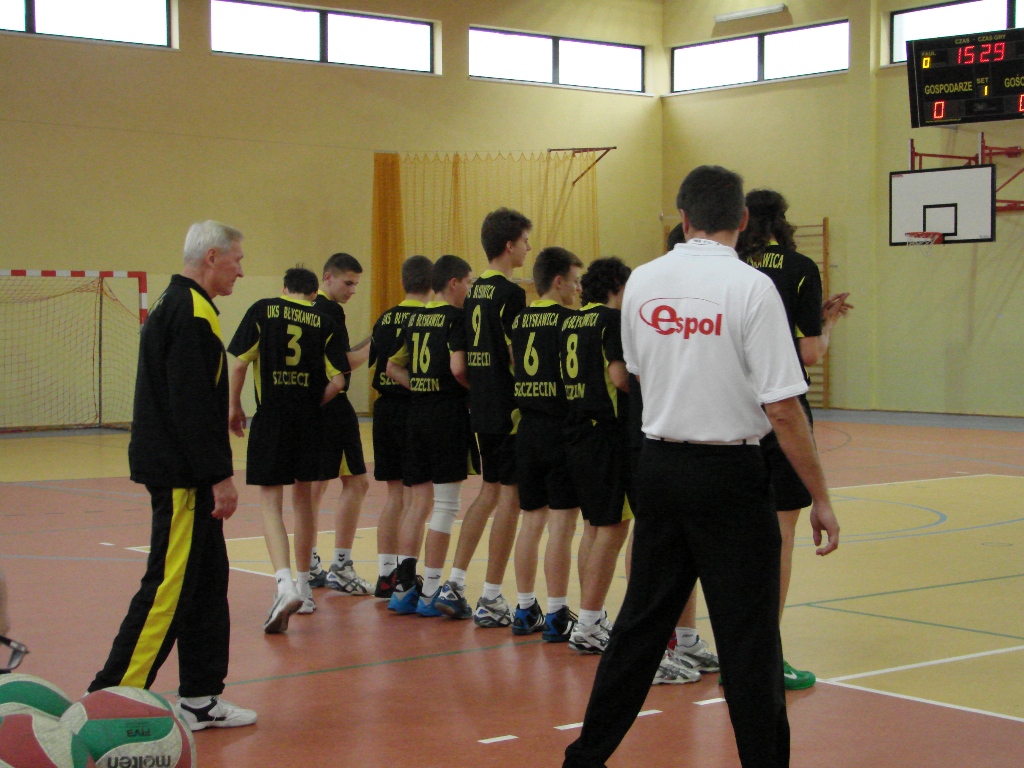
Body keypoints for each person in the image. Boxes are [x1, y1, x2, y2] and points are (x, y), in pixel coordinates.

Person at [562, 166, 840, 768]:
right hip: (731, 476)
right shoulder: (752, 288)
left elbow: (635, 375)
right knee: (750, 638)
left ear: (683, 218)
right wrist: (819, 495)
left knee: (639, 628)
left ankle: (584, 758)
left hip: (659, 468)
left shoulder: (642, 281)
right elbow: (783, 409)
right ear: (742, 220)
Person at [88, 220, 256, 732]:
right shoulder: (189, 311)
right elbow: (189, 406)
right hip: (185, 478)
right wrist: (219, 475)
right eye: (237, 260)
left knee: (206, 583)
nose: (241, 271)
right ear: (212, 257)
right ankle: (107, 699)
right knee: (168, 587)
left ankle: (200, 697)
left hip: (185, 470)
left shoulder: (182, 304)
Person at [736, 188, 852, 689]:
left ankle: (707, 645)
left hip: (726, 409)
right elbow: (808, 354)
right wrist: (825, 324)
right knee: (779, 534)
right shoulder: (800, 268)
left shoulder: (732, 265)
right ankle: (764, 656)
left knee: (727, 534)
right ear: (783, 222)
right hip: (777, 407)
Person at [227, 267, 348, 631]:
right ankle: (305, 588)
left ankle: (283, 585)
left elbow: (239, 364)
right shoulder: (324, 321)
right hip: (309, 420)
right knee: (304, 500)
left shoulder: (262, 310)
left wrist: (234, 405)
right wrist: (314, 402)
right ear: (313, 293)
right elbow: (338, 381)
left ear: (283, 288)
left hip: (272, 417)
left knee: (270, 503)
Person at [433, 209, 529, 626]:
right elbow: (515, 354)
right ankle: (491, 596)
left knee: (488, 493)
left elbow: (459, 367)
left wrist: (482, 388)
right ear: (509, 245)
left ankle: (454, 583)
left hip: (482, 406)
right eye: (525, 241)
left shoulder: (472, 294)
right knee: (510, 498)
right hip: (509, 407)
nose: (528, 248)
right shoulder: (511, 294)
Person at [385, 255, 476, 616]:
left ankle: (403, 587)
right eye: (469, 282)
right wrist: (474, 392)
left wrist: (421, 386)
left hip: (417, 414)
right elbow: (458, 368)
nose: (470, 289)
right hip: (446, 415)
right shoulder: (456, 318)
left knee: (417, 503)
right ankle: (431, 592)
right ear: (454, 283)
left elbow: (392, 367)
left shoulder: (416, 318)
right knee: (446, 505)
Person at [506, 247, 582, 641]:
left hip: (527, 429)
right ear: (558, 281)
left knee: (531, 521)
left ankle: (523, 608)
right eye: (575, 280)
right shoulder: (569, 321)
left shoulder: (519, 320)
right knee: (562, 526)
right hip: (559, 429)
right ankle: (556, 613)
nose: (578, 288)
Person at [560, 257, 633, 655]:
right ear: (617, 285)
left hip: (576, 429)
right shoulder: (611, 321)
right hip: (606, 432)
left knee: (592, 527)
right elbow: (619, 378)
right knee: (613, 528)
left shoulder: (571, 321)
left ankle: (591, 615)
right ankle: (588, 623)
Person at [366, 255, 433, 597]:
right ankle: (407, 575)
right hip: (412, 408)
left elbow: (374, 363)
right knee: (417, 497)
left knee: (394, 496)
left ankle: (385, 575)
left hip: (384, 411)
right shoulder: (428, 319)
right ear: (432, 283)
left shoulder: (385, 317)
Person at [309, 253, 374, 597]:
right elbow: (345, 363)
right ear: (328, 277)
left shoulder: (310, 309)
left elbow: (342, 352)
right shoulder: (330, 311)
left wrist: (370, 340)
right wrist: (379, 345)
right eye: (347, 283)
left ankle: (308, 562)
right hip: (333, 408)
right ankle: (342, 566)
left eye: (356, 284)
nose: (352, 290)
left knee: (315, 486)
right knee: (356, 482)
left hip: (313, 408)